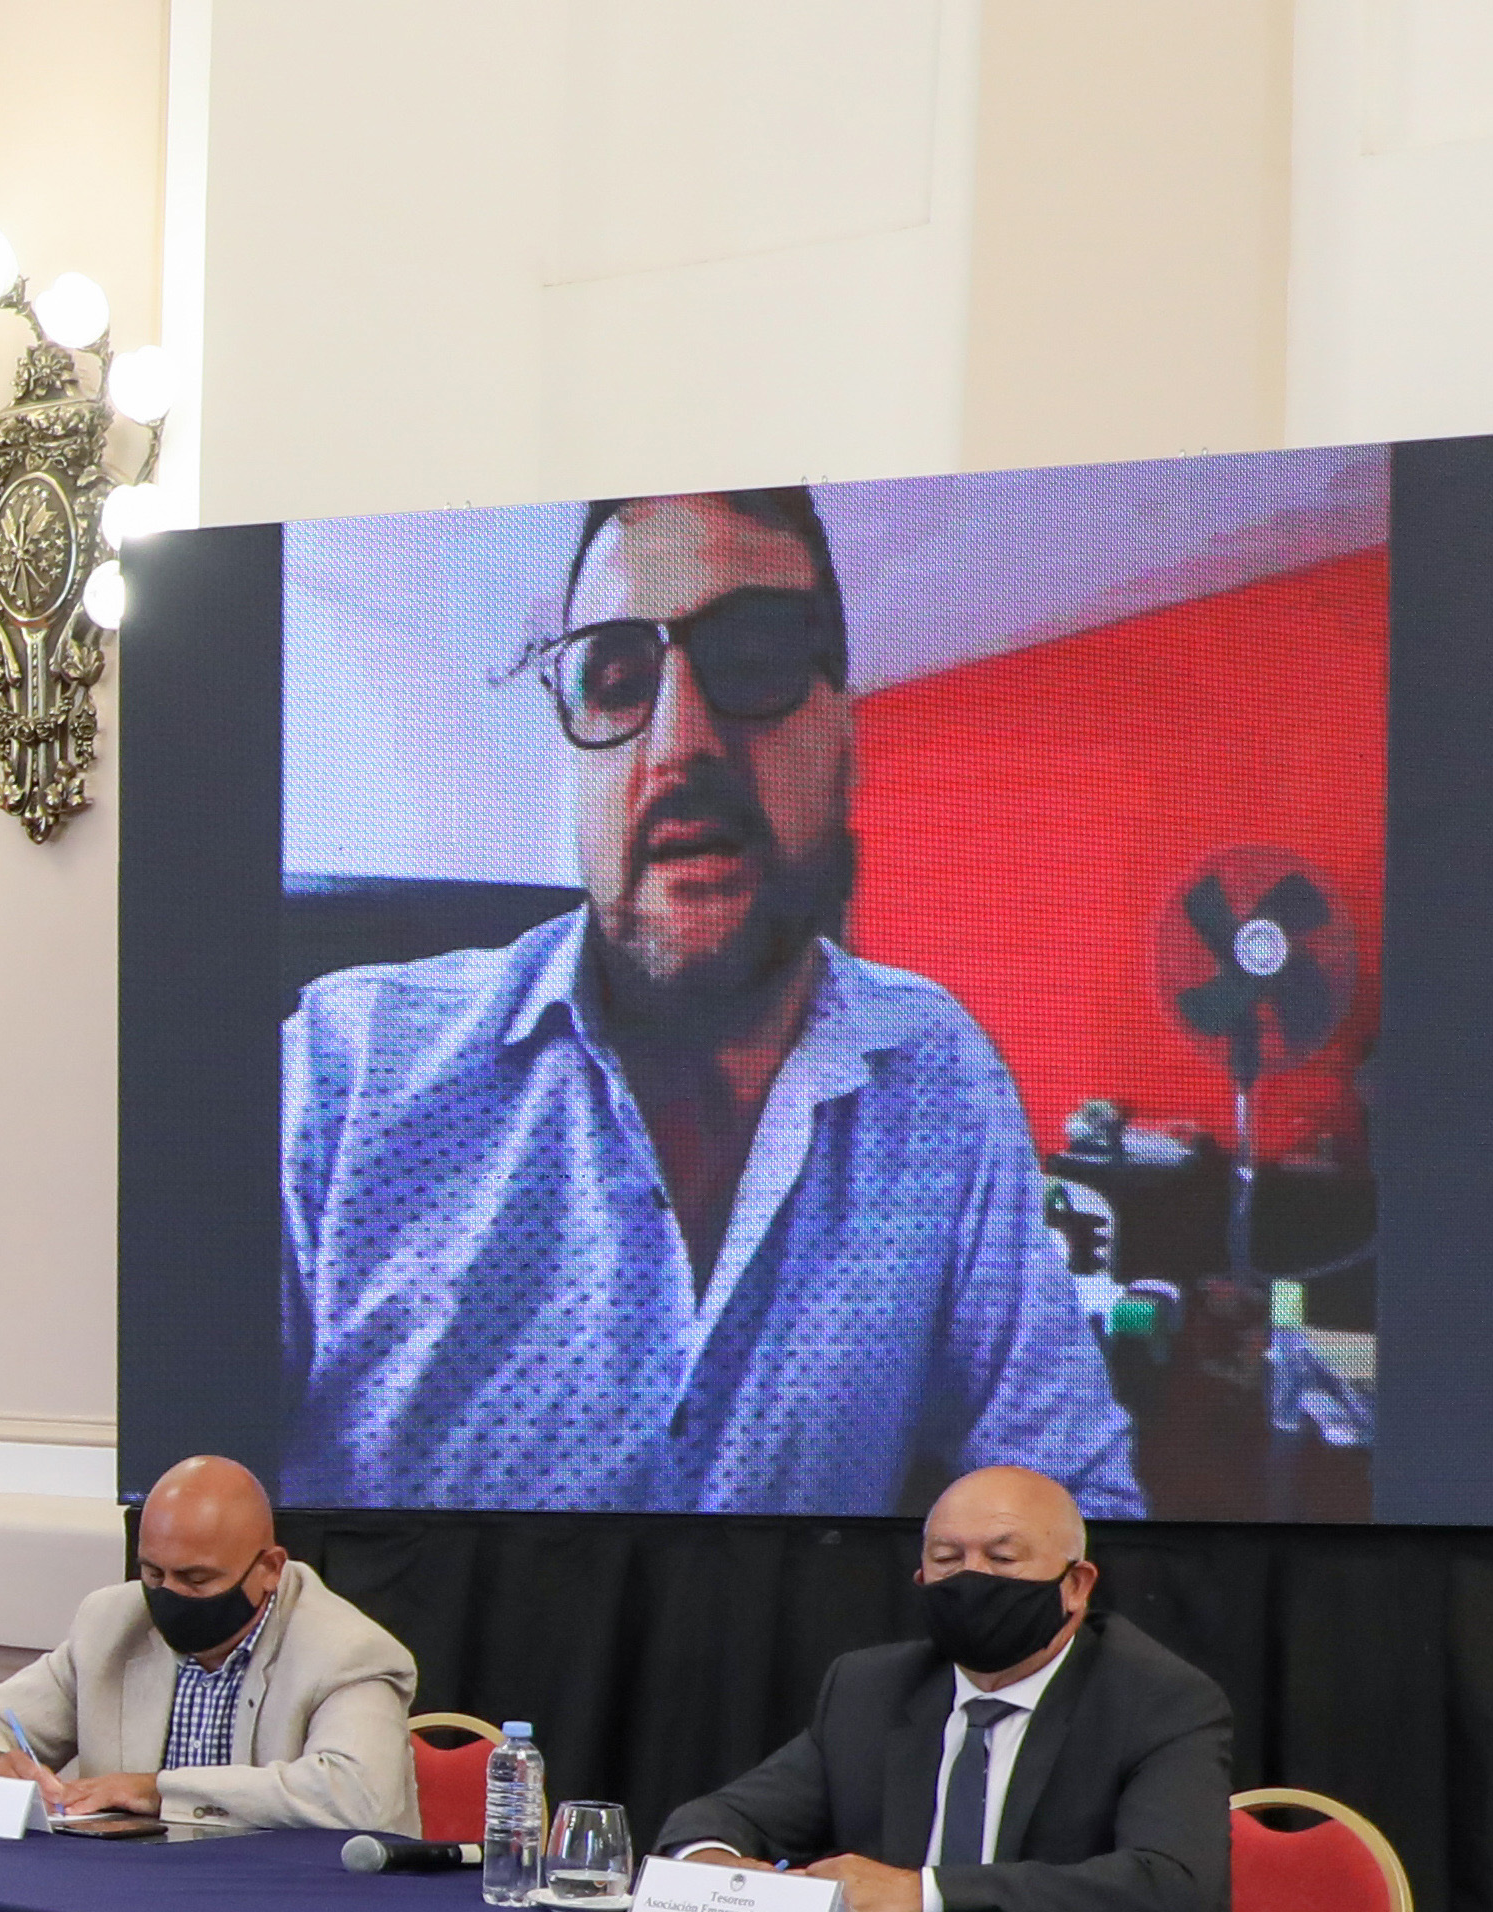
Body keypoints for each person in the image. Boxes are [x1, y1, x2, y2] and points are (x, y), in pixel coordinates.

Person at [277, 487, 1139, 1517]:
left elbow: (1068, 1500)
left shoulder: (937, 1076)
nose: (680, 742)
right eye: (615, 677)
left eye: (757, 660)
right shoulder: (343, 1073)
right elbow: (184, 1515)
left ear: (846, 744)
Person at [656, 1464, 1227, 1912]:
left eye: (1003, 1559)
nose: (971, 1579)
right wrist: (718, 1873)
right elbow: (716, 1819)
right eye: (948, 1559)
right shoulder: (871, 1688)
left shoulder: (1158, 1699)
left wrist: (924, 1893)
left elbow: (1170, 1887)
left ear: (1075, 1585)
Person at [0, 1456, 414, 1832]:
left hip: (295, 1901)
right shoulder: (112, 1623)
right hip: (131, 1892)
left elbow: (356, 1796)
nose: (170, 1595)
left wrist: (157, 1791)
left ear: (269, 1569)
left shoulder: (347, 1651)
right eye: (153, 1573)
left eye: (196, 1579)